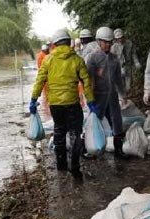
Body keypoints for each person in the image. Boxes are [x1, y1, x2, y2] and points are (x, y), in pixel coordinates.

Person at [30, 29, 98, 180]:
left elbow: (39, 80)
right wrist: (91, 101)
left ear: (54, 44)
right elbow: (86, 82)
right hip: (72, 103)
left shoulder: (48, 60)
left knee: (59, 132)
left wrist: (34, 99)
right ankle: (75, 166)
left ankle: (61, 164)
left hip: (55, 105)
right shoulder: (77, 59)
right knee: (76, 134)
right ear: (68, 42)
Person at [86, 26, 128, 159]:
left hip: (112, 95)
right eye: (105, 42)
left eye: (110, 42)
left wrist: (123, 95)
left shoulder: (114, 58)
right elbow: (87, 79)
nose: (108, 45)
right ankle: (89, 147)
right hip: (98, 95)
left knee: (117, 122)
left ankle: (118, 150)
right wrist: (89, 98)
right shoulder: (92, 58)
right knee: (94, 120)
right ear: (98, 41)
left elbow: (118, 79)